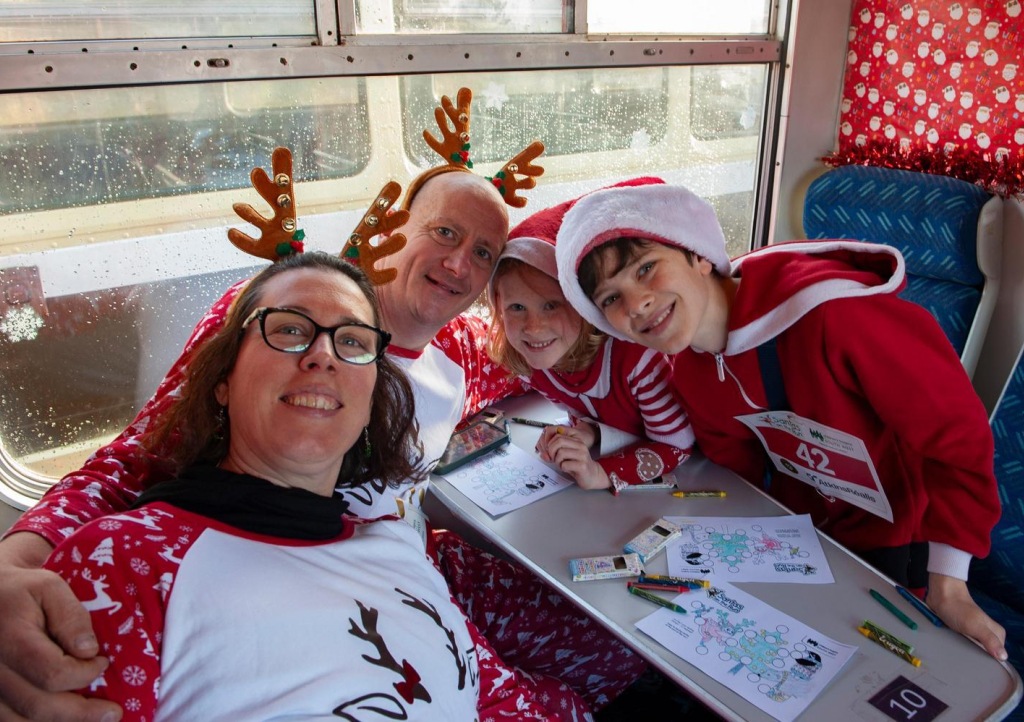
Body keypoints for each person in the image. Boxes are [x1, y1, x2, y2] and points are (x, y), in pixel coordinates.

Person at [0, 102, 645, 720]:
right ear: (400, 227)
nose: (458, 263)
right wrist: (17, 562)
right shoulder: (277, 321)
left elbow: (550, 350)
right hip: (305, 569)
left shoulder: (462, 351)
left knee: (622, 649)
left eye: (482, 253)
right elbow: (136, 460)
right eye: (444, 232)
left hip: (413, 562)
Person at [40, 251, 582, 721]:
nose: (323, 354)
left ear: (372, 399)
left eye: (351, 340)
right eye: (291, 329)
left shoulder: (391, 545)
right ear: (222, 379)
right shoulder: (125, 561)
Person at [552, 179, 1008, 661]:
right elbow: (736, 471)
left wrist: (950, 587)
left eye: (646, 269)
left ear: (697, 255)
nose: (636, 304)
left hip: (905, 545)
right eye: (610, 299)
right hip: (811, 538)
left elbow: (958, 440)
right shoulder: (690, 368)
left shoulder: (838, 317)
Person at [486, 183, 694, 492]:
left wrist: (600, 472)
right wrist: (587, 432)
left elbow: (678, 443)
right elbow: (602, 413)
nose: (532, 326)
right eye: (516, 308)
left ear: (583, 307)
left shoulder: (638, 358)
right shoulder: (534, 364)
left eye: (551, 305)